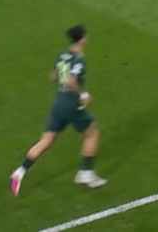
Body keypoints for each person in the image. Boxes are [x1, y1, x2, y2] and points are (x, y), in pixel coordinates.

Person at [11, 25, 105, 195]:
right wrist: (83, 94)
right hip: (71, 104)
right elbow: (71, 81)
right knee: (92, 132)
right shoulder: (79, 59)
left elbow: (54, 76)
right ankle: (86, 174)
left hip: (59, 103)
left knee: (47, 141)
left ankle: (20, 172)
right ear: (83, 39)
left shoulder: (62, 55)